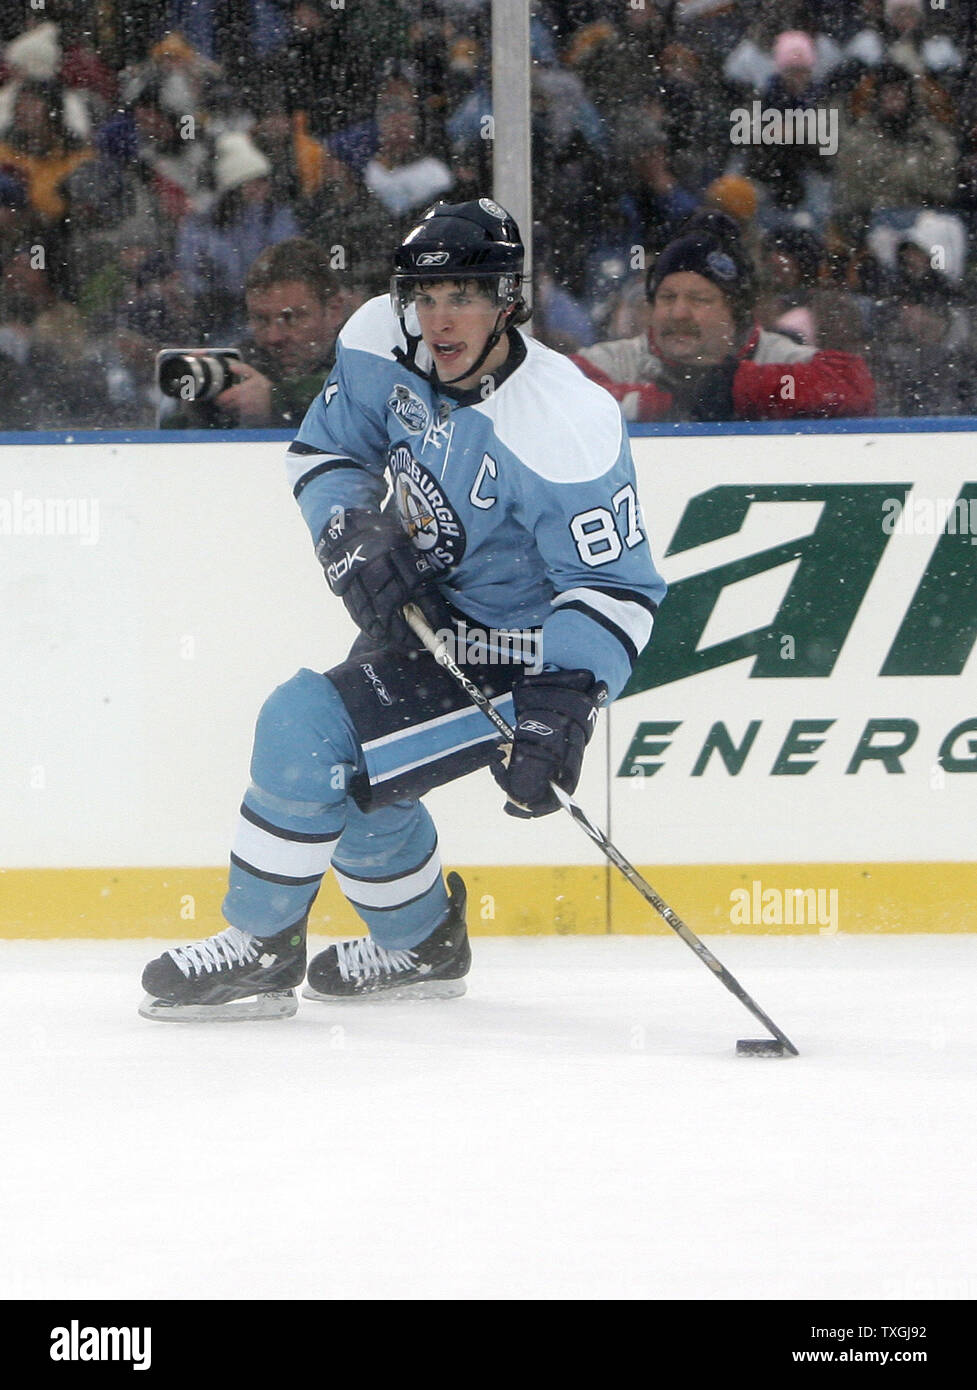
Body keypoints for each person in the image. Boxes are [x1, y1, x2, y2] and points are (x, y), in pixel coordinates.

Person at [139, 198, 666, 1019]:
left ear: (508, 302)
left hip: (518, 655)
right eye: (426, 298)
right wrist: (351, 528)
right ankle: (420, 944)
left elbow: (618, 590)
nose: (439, 319)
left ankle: (262, 948)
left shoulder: (566, 425)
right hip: (422, 616)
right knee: (353, 782)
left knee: (302, 729)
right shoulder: (377, 342)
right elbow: (328, 450)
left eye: (463, 295)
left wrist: (560, 704)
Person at [572, 211, 876, 423]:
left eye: (698, 299)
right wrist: (665, 402)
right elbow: (557, 396)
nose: (678, 313)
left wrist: (735, 387)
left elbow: (853, 386)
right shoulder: (616, 361)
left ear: (736, 312)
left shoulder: (778, 357)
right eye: (667, 298)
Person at [162, 237, 358, 428]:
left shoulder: (367, 358)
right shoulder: (241, 365)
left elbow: (358, 399)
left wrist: (275, 402)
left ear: (334, 311)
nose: (274, 337)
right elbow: (164, 442)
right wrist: (197, 412)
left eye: (291, 319)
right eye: (260, 320)